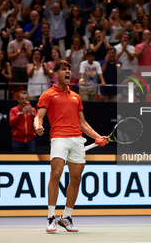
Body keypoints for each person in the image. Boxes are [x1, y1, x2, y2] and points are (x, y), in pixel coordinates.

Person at [34, 60, 109, 232]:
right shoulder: (48, 95)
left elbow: (83, 123)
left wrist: (98, 137)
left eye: (69, 69)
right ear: (57, 73)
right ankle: (51, 217)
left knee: (76, 179)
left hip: (77, 140)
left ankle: (66, 217)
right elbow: (39, 116)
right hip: (59, 138)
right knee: (56, 174)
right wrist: (38, 126)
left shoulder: (76, 96)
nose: (68, 72)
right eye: (64, 70)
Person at [135, 30, 151, 95]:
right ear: (142, 36)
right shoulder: (138, 46)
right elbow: (137, 56)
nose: (146, 36)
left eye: (148, 34)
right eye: (145, 34)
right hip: (142, 72)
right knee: (143, 91)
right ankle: (142, 104)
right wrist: (144, 47)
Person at [7, 28, 33, 92]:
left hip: (26, 68)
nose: (19, 35)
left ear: (23, 34)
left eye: (21, 33)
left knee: (26, 87)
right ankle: (15, 100)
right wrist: (19, 50)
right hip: (15, 68)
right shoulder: (11, 44)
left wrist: (24, 49)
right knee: (15, 87)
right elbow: (9, 57)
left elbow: (30, 55)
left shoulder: (28, 43)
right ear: (15, 34)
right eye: (18, 33)